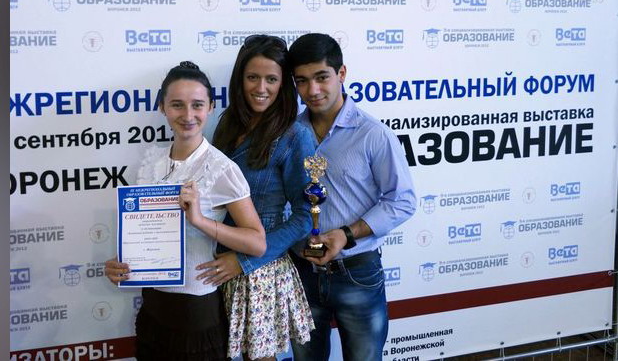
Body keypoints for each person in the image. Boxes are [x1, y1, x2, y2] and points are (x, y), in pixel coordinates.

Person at [104, 61, 267, 361]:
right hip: (153, 305)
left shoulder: (222, 168)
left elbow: (257, 243)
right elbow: (144, 234)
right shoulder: (151, 163)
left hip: (197, 311)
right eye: (177, 105)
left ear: (211, 107)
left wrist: (200, 220)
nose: (188, 115)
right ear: (162, 107)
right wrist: (122, 264)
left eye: (197, 105)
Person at [287, 33, 418, 361]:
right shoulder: (289, 134)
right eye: (302, 81)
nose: (312, 90)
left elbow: (402, 200)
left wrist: (345, 234)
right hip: (301, 272)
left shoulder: (373, 134)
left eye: (322, 77)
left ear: (341, 73)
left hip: (357, 272)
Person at [194, 35, 316, 360]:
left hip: (259, 270)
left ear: (283, 83)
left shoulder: (295, 135)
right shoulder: (228, 124)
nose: (261, 88)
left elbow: (306, 216)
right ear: (240, 79)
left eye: (271, 79)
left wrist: (244, 261)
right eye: (252, 77)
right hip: (216, 263)